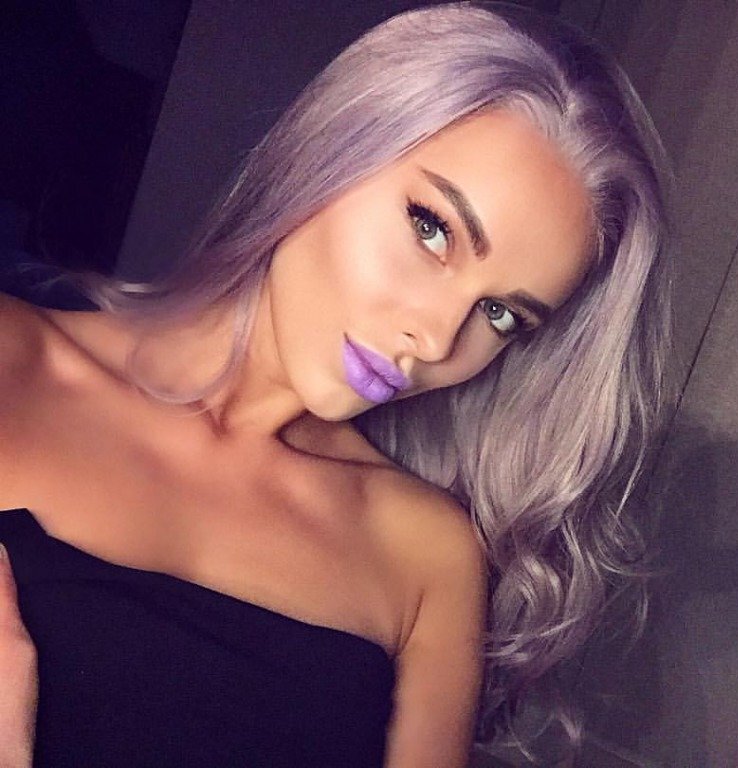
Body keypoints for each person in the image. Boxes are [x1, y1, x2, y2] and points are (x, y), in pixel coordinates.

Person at [0, 2, 673, 766]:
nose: (435, 339)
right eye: (432, 229)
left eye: (500, 314)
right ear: (331, 152)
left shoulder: (424, 556)